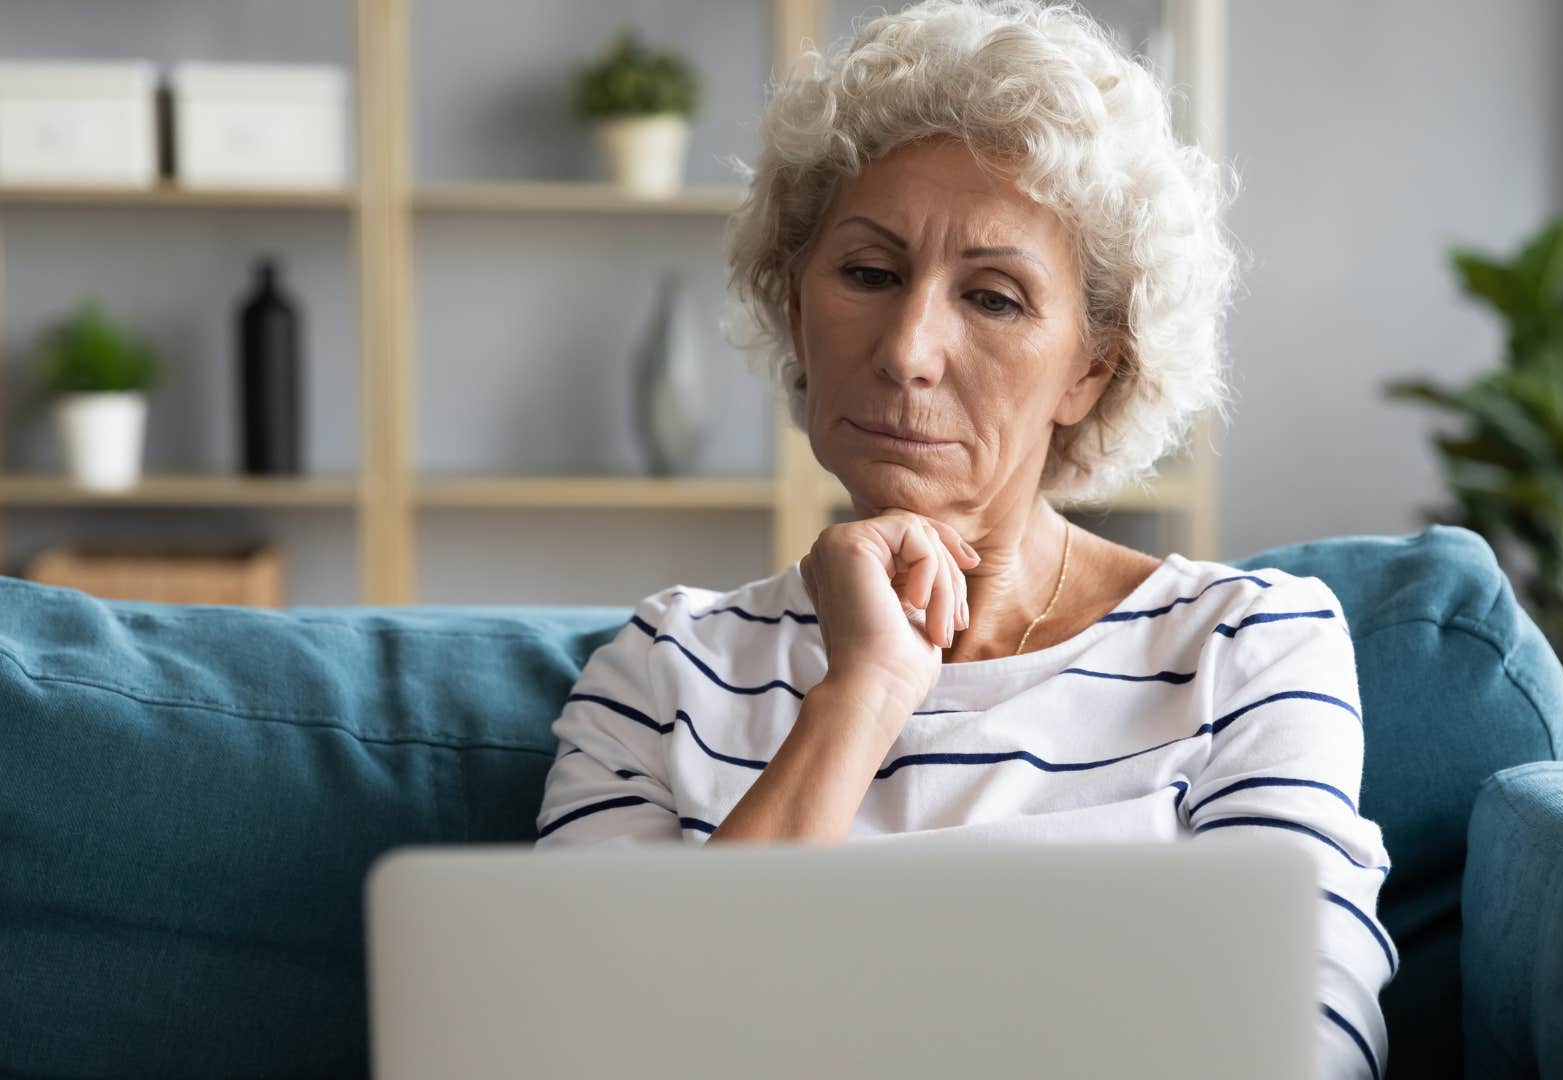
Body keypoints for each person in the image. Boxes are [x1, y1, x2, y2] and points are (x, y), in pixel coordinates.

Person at [536, 3, 1392, 1076]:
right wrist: (862, 696)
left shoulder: (1251, 648)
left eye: (992, 296)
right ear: (798, 312)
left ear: (1091, 371)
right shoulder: (663, 671)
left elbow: (1308, 1044)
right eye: (868, 274)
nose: (907, 350)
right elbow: (596, 1048)